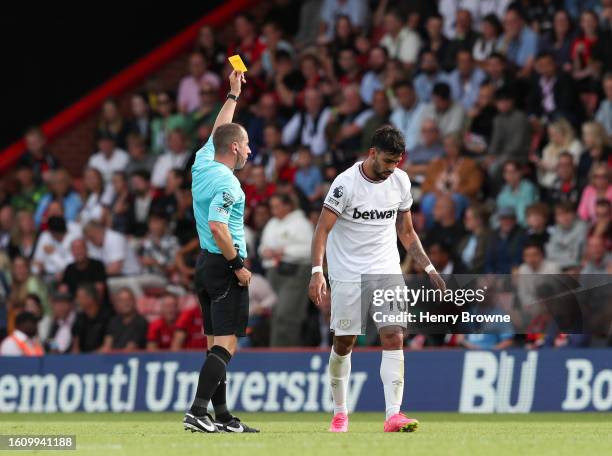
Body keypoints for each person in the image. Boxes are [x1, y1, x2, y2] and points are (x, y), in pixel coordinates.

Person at [308, 125, 445, 433]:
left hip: (386, 268)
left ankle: (393, 415)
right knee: (345, 342)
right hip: (347, 274)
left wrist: (429, 268)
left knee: (394, 334)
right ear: (372, 154)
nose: (391, 169)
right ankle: (340, 413)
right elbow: (322, 230)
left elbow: (406, 232)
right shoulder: (345, 184)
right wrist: (318, 272)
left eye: (396, 162)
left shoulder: (400, 182)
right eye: (387, 162)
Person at [184, 70, 258, 434]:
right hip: (224, 266)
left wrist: (232, 95)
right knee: (226, 346)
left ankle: (223, 416)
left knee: (214, 343)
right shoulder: (230, 184)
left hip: (203, 265)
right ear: (234, 148)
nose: (249, 150)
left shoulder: (201, 165)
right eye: (246, 145)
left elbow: (218, 133)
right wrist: (239, 265)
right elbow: (218, 226)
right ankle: (197, 411)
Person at [258, 193, 313, 346]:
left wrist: (285, 251)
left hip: (294, 273)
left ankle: (288, 355)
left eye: (277, 206)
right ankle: (275, 353)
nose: (274, 210)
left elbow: (310, 250)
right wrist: (265, 251)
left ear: (287, 206)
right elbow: (262, 247)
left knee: (286, 314)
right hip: (273, 273)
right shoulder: (272, 224)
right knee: (275, 316)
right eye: (272, 207)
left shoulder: (301, 223)